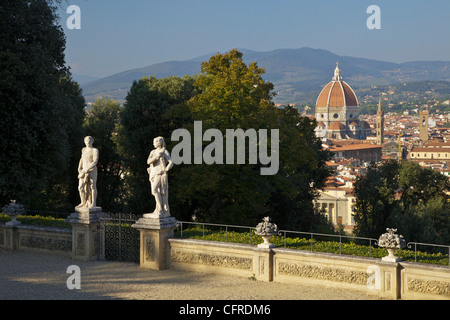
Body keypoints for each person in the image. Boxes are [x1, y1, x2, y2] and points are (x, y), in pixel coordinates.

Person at [147, 136, 173, 216]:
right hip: (153, 173)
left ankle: (161, 209)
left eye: (155, 142)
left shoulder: (164, 151)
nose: (153, 143)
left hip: (160, 173)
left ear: (159, 143)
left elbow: (171, 162)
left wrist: (166, 169)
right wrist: (157, 157)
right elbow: (148, 161)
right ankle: (159, 208)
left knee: (155, 190)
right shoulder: (153, 152)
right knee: (155, 191)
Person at [76, 136, 99, 208]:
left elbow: (95, 161)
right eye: (86, 140)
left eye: (89, 140)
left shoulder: (95, 150)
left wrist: (87, 169)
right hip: (83, 171)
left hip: (92, 170)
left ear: (92, 141)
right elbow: (82, 159)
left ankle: (93, 203)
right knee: (80, 187)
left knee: (92, 186)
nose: (88, 142)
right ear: (84, 141)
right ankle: (83, 202)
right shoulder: (83, 150)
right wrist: (79, 168)